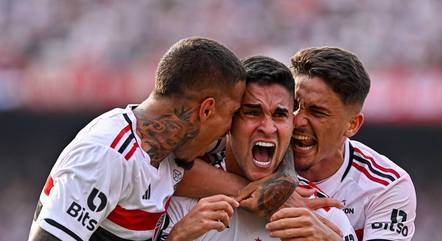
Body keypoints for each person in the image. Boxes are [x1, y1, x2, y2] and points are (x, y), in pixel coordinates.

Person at [28, 37, 247, 241]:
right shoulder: (107, 155)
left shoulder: (167, 147)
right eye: (232, 114)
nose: (229, 130)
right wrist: (176, 238)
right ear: (207, 110)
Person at [160, 56, 356, 241]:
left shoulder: (322, 218)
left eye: (280, 115)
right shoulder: (185, 206)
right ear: (229, 121)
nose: (268, 128)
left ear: (292, 124)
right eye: (253, 113)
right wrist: (176, 238)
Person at [282, 47, 417, 241]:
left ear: (352, 125)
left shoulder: (387, 185)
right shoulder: (260, 154)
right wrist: (271, 193)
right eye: (293, 106)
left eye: (317, 112)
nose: (298, 120)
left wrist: (331, 239)